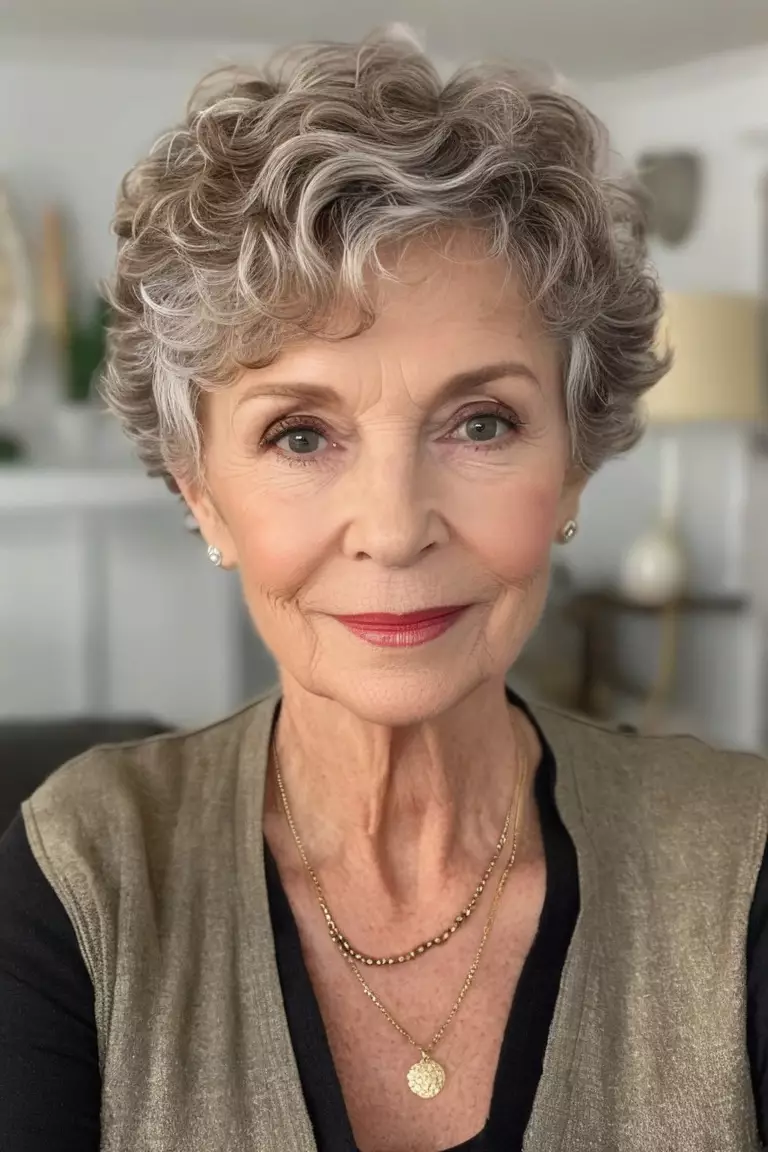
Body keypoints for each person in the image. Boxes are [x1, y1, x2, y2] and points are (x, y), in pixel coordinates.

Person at [1, 30, 767, 1152]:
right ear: (204, 496)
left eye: (482, 422)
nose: (397, 529)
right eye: (302, 435)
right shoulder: (85, 875)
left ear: (577, 466)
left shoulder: (739, 861)